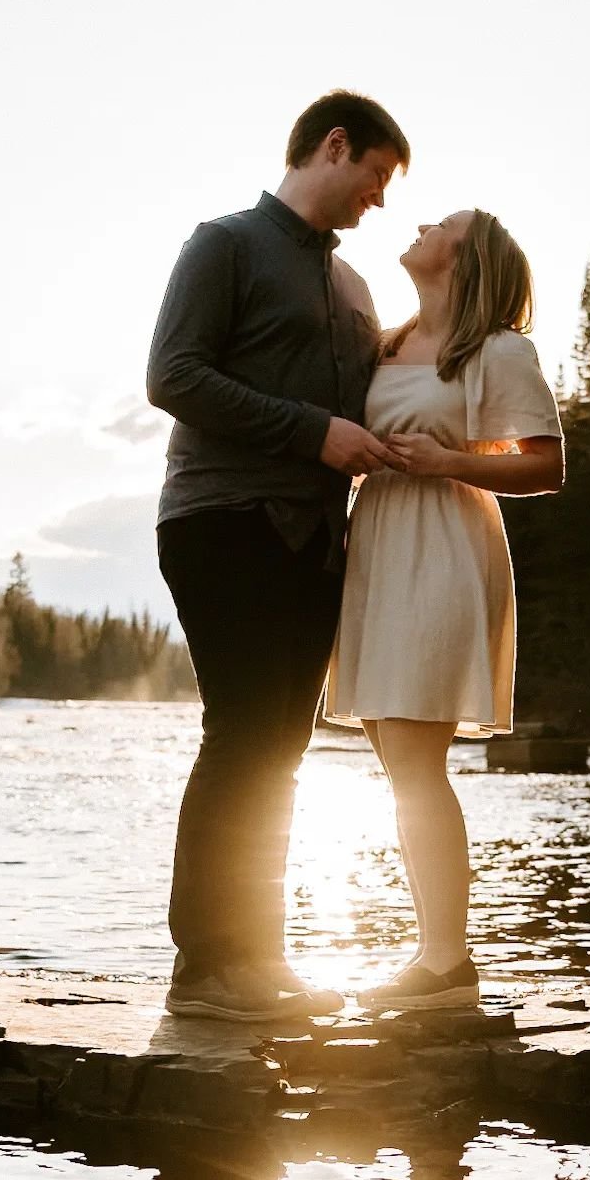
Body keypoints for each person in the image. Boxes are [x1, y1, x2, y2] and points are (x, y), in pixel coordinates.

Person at [147, 92, 409, 1022]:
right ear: (333, 146)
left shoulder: (352, 290)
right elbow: (171, 375)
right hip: (222, 518)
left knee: (281, 747)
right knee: (244, 733)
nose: (377, 200)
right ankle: (209, 972)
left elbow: (372, 407)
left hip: (315, 541)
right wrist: (313, 434)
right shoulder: (222, 243)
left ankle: (255, 961)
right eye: (375, 176)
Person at [324, 210, 565, 1011]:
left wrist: (448, 460)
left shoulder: (497, 350)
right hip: (379, 546)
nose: (421, 222)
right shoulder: (385, 343)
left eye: (443, 223)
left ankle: (444, 964)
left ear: (464, 262)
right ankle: (434, 958)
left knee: (418, 763)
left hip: (444, 544)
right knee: (398, 763)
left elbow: (546, 467)